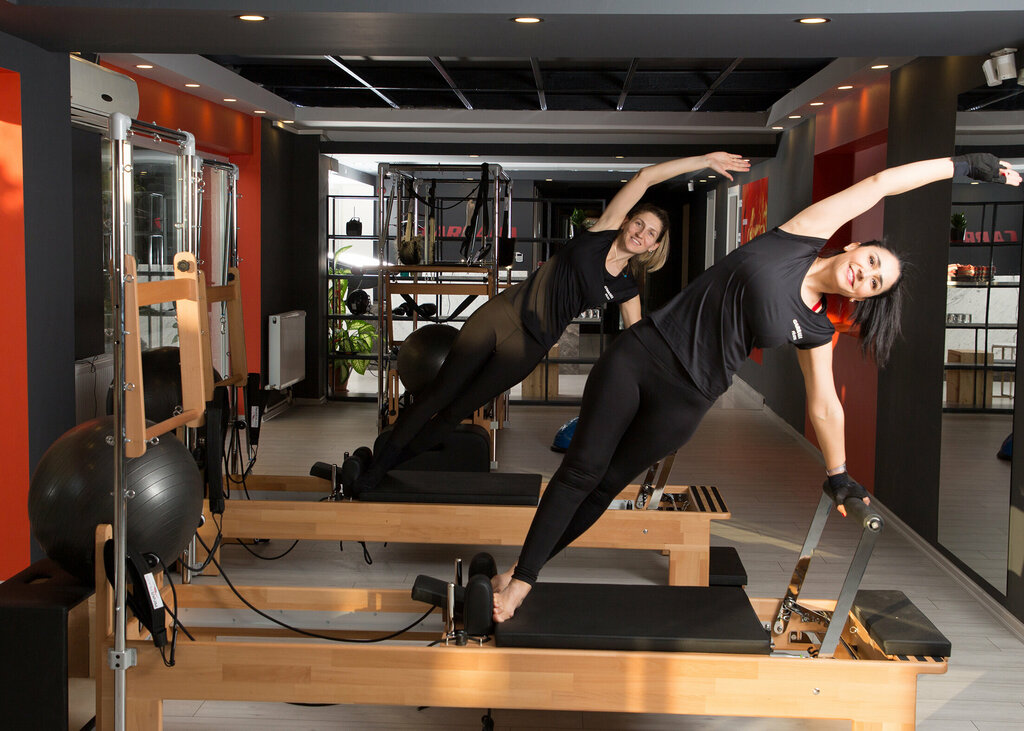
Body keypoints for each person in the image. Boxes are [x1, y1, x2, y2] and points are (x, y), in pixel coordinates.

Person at [492, 153, 1022, 621]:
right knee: (582, 470)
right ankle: (522, 583)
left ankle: (521, 569)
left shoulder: (816, 328)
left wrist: (839, 473)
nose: (865, 275)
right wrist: (963, 166)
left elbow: (825, 403)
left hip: (688, 399)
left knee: (607, 487)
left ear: (865, 298)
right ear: (856, 245)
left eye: (875, 283)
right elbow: (881, 183)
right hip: (642, 355)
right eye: (871, 262)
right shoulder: (798, 238)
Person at [355, 152, 751, 491]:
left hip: (527, 347)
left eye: (651, 234)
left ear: (654, 246)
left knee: (457, 411)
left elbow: (637, 344)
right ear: (627, 220)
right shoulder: (602, 231)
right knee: (437, 395)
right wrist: (705, 160)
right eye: (639, 224)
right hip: (501, 316)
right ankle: (375, 470)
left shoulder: (627, 289)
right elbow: (645, 177)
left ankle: (392, 465)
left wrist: (667, 389)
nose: (641, 234)